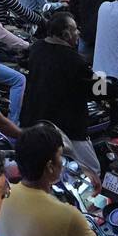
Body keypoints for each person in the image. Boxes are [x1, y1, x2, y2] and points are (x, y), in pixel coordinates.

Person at [18, 12, 102, 178]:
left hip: (33, 119)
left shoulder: (36, 48)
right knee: (93, 169)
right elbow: (99, 90)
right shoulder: (75, 61)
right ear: (65, 34)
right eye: (75, 29)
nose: (78, 33)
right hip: (65, 127)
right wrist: (107, 83)